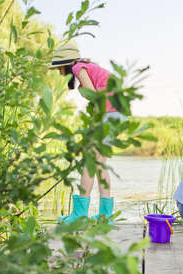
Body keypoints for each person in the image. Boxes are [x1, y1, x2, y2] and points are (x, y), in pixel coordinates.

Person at [49, 41, 126, 223]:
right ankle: (105, 215)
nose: (60, 72)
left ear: (66, 64)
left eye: (60, 68)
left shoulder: (78, 68)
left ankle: (80, 215)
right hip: (118, 113)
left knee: (90, 162)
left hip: (109, 114)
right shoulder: (88, 68)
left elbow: (95, 96)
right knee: (100, 164)